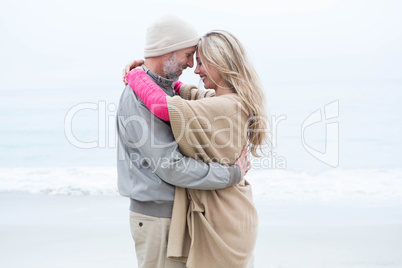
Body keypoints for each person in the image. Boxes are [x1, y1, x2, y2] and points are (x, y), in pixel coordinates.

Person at [124, 30, 269, 268]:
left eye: (201, 62)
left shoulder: (224, 106)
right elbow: (188, 93)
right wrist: (152, 75)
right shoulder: (229, 99)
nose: (196, 69)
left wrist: (137, 74)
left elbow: (162, 105)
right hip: (233, 213)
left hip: (224, 221)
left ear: (220, 63)